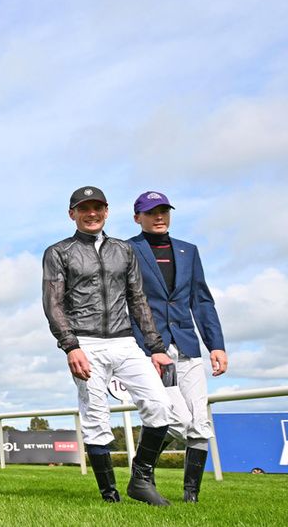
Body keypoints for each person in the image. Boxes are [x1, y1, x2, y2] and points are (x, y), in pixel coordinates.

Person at [41, 186, 177, 506]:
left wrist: (155, 346)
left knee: (160, 406)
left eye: (97, 207)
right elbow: (53, 304)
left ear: (106, 211)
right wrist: (70, 346)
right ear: (72, 213)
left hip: (126, 342)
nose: (91, 214)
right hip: (85, 343)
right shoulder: (58, 251)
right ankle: (109, 496)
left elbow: (138, 300)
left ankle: (141, 480)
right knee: (97, 420)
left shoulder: (123, 250)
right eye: (84, 208)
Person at [128, 191, 227, 503]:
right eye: (151, 212)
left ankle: (191, 497)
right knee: (178, 419)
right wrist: (141, 345)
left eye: (164, 211)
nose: (159, 217)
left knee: (200, 424)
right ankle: (141, 473)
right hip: (152, 349)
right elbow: (124, 302)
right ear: (137, 217)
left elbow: (201, 300)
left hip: (188, 346)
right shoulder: (126, 250)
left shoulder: (188, 251)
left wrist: (216, 344)